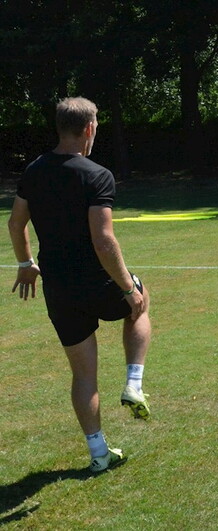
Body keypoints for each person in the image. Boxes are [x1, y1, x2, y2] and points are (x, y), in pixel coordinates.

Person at [8, 97, 152, 472]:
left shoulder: (34, 171)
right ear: (88, 128)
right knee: (140, 302)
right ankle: (134, 383)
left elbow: (15, 223)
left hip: (59, 289)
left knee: (83, 375)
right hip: (98, 282)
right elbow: (103, 241)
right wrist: (128, 288)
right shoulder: (97, 175)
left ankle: (99, 453)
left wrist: (25, 264)